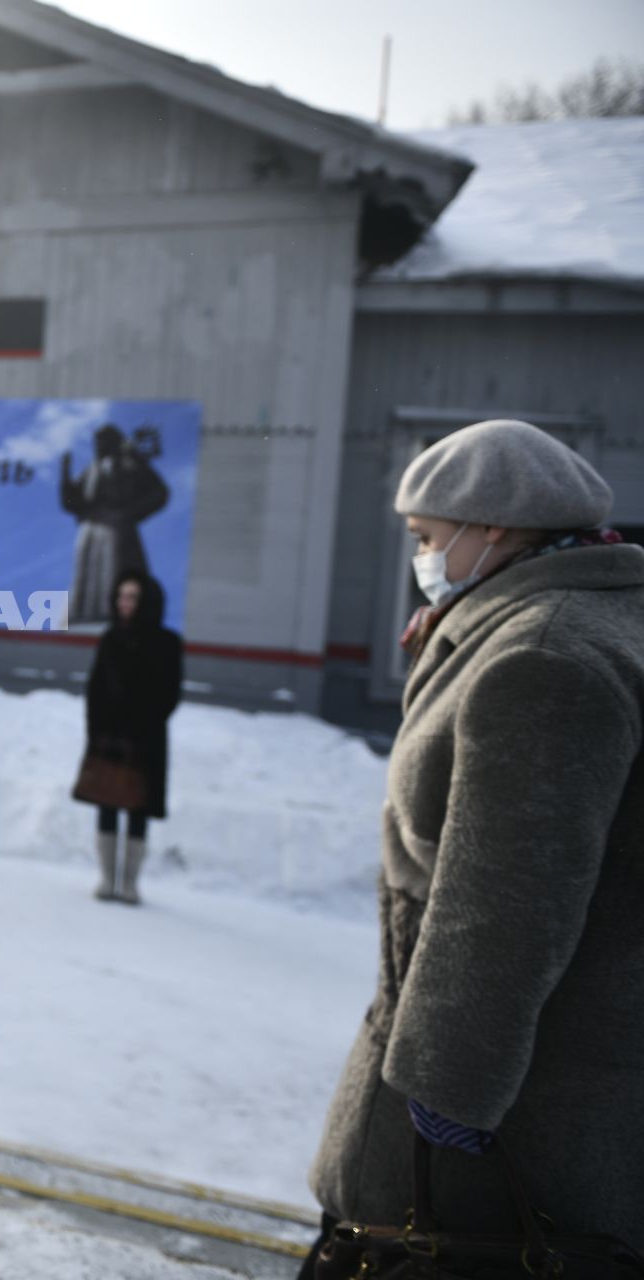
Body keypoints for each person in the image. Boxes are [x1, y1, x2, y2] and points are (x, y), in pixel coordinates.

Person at [301, 419, 644, 1269]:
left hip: (515, 1100)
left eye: (425, 538)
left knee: (405, 1249)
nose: (418, 558)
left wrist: (449, 1088)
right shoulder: (572, 614)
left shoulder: (541, 657)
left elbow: (508, 899)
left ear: (490, 529)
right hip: (570, 1062)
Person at [80, 570, 182, 905]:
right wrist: (99, 731)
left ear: (146, 601)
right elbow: (95, 690)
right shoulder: (110, 639)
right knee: (107, 802)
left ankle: (130, 883)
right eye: (121, 597)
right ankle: (108, 878)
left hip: (145, 741)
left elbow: (169, 694)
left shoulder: (167, 643)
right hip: (108, 739)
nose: (125, 604)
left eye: (132, 597)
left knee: (138, 808)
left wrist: (139, 726)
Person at [59, 425, 169, 626]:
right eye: (97, 441)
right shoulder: (91, 469)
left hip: (117, 525)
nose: (99, 445)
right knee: (85, 576)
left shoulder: (130, 463)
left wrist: (131, 512)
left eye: (103, 440)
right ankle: (81, 616)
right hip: (91, 528)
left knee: (114, 569)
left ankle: (113, 614)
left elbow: (159, 493)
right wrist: (65, 473)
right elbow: (73, 503)